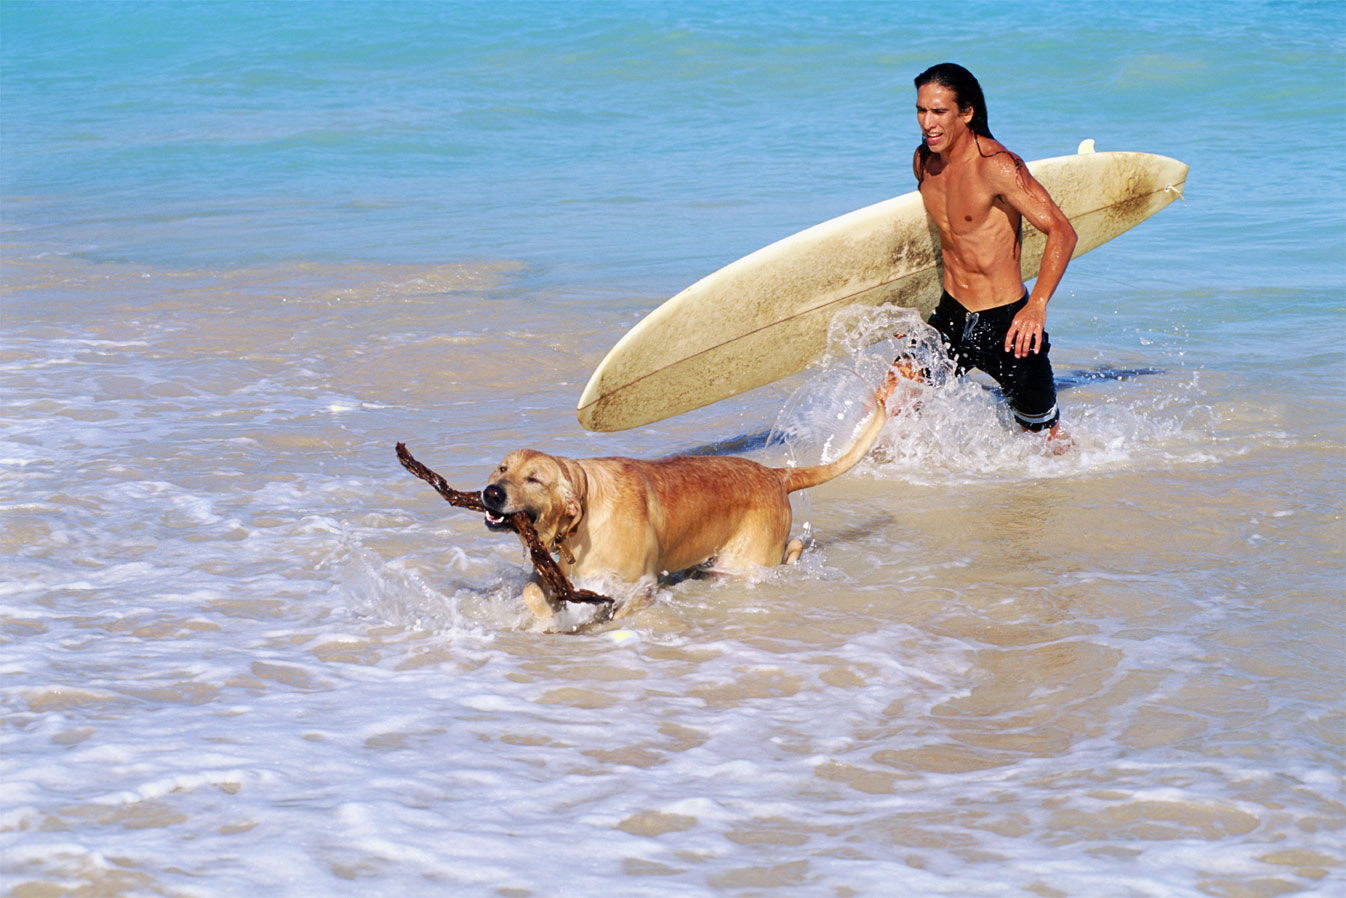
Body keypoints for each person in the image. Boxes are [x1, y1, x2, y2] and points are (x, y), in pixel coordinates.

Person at [885, 63, 1077, 449]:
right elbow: (947, 245)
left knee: (1046, 443)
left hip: (1009, 326)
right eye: (921, 110)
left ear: (967, 112)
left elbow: (1062, 231)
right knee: (892, 401)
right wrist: (916, 310)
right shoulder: (924, 163)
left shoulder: (998, 167)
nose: (927, 122)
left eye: (939, 112)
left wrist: (1036, 305)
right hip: (951, 316)